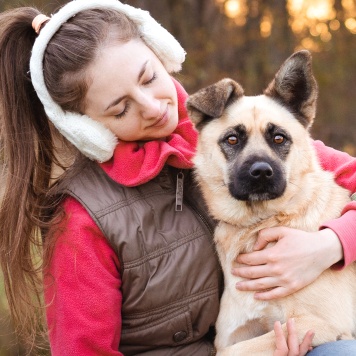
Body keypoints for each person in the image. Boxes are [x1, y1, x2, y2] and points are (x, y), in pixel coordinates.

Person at [0, 0, 355, 355]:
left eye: (149, 77)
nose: (153, 108)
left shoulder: (226, 126)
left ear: (163, 54)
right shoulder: (83, 217)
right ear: (84, 129)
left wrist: (330, 245)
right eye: (121, 108)